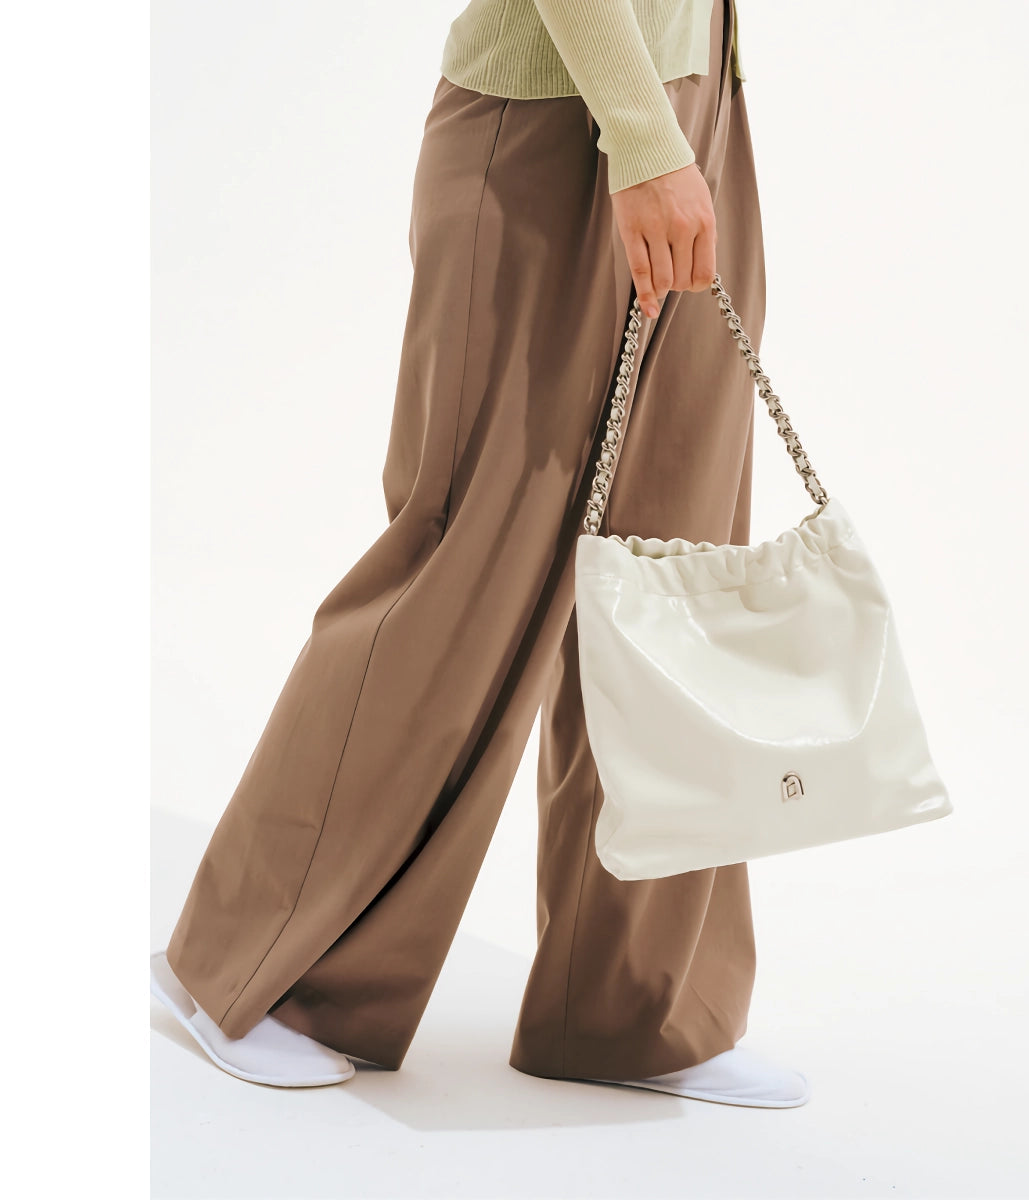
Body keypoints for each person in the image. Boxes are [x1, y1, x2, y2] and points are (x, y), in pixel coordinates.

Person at [151, 0, 810, 1109]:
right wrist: (642, 135)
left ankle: (632, 1011)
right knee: (464, 572)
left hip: (699, 103)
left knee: (674, 575)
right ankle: (246, 970)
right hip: (557, 119)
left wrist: (679, 124)